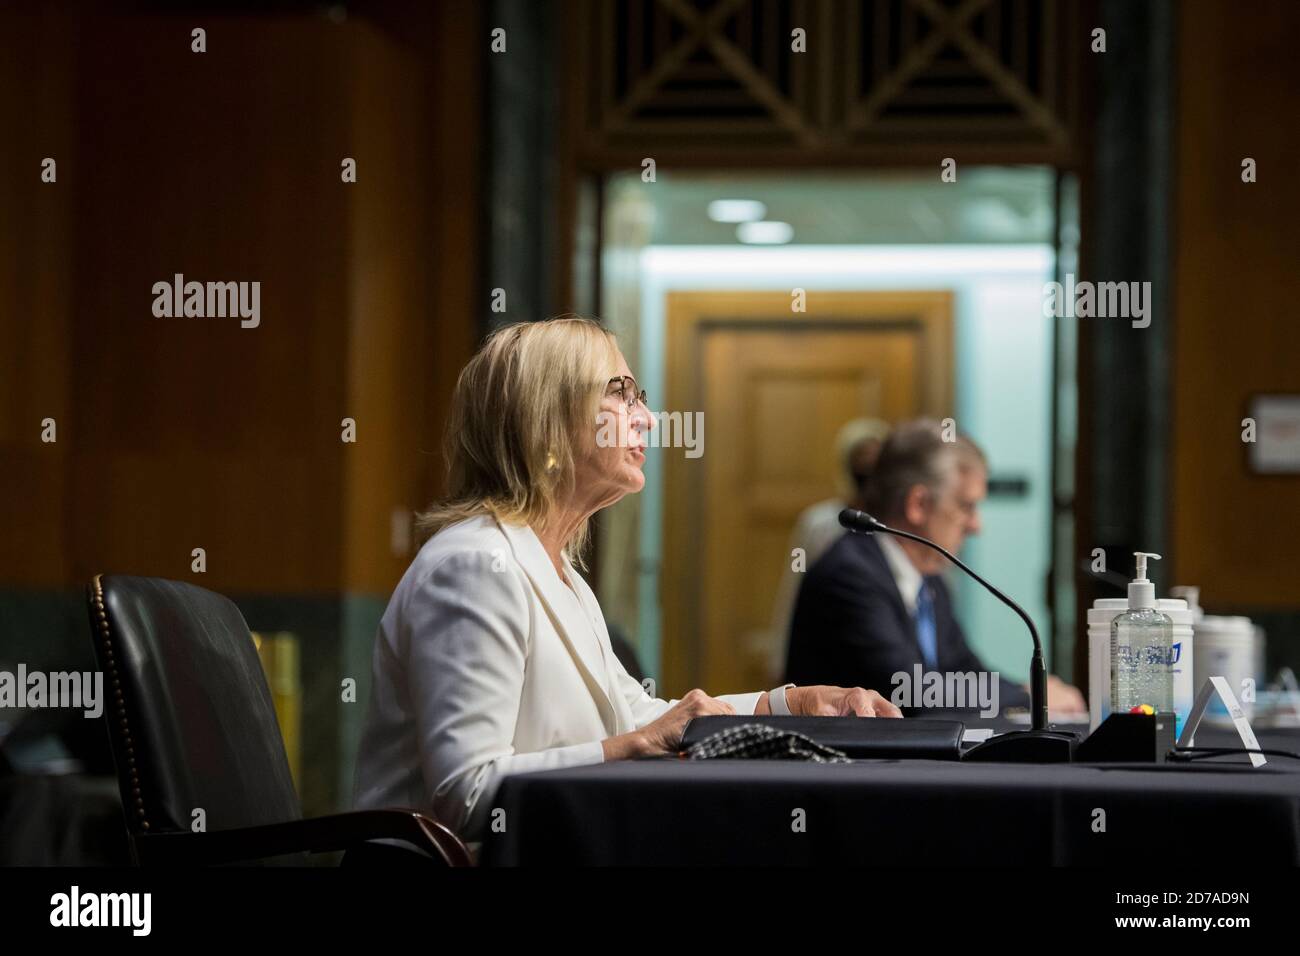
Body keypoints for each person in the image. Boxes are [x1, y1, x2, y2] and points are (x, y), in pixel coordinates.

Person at [352, 316, 900, 848]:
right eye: (621, 393)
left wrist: (787, 706)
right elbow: (465, 797)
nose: (649, 418)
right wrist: (631, 747)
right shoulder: (474, 566)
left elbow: (633, 715)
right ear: (547, 418)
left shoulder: (556, 566)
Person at [784, 418, 1086, 716]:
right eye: (966, 506)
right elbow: (910, 690)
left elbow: (963, 668)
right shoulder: (849, 573)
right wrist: (1027, 697)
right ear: (918, 504)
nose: (976, 526)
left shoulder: (929, 575)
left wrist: (1027, 690)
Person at [763, 417, 890, 684]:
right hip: (823, 652)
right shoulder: (819, 523)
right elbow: (793, 591)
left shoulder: (895, 527)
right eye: (859, 460)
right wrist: (779, 659)